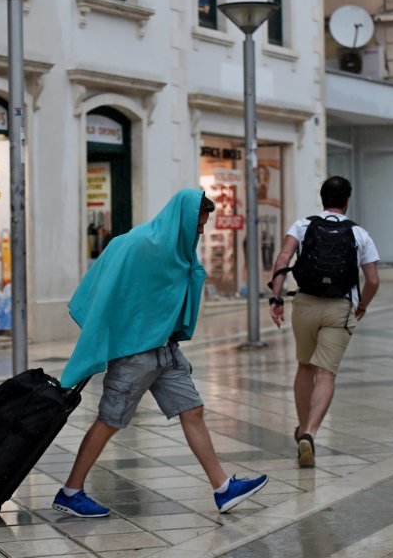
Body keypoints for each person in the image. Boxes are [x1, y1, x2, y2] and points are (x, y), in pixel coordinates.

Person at [52, 189, 269, 517]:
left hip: (166, 349)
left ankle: (222, 488)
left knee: (192, 410)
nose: (200, 231)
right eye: (197, 224)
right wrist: (109, 331)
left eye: (203, 225)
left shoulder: (178, 251)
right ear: (181, 218)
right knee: (110, 420)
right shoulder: (137, 243)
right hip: (135, 352)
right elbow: (108, 283)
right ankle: (71, 491)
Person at [269, 176, 380, 468]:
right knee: (326, 373)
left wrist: (276, 299)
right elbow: (372, 280)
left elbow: (283, 258)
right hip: (340, 307)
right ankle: (309, 432)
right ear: (347, 200)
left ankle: (301, 424)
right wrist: (362, 305)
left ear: (321, 198)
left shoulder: (302, 225)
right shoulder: (359, 233)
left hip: (305, 303)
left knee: (305, 366)